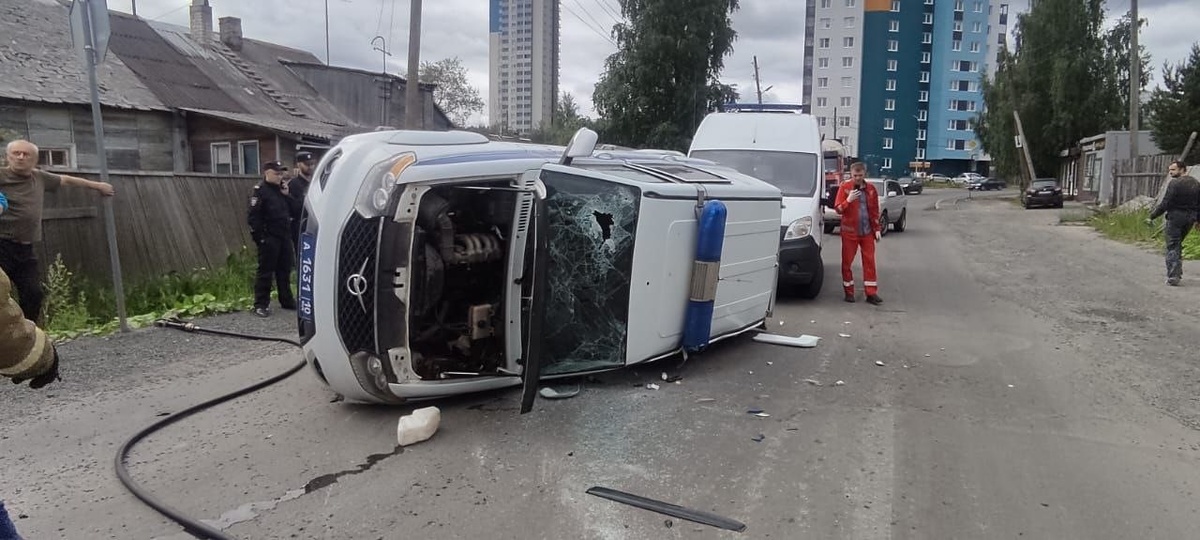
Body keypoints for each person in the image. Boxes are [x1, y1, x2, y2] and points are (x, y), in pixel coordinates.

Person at [0, 140, 115, 324]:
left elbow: (67, 180)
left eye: (26, 154)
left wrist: (98, 186)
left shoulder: (40, 178)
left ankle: (27, 334)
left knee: (33, 293)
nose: (20, 157)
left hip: (25, 249)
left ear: (35, 159)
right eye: (16, 153)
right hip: (2, 245)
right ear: (8, 156)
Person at [248, 161, 299, 317]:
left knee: (284, 270)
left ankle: (286, 300)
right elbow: (253, 218)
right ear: (266, 173)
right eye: (276, 173)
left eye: (281, 174)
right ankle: (261, 304)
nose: (279, 177)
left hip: (284, 236)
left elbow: (296, 210)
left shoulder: (281, 191)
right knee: (265, 271)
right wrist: (261, 239)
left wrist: (287, 195)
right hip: (269, 237)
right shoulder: (260, 191)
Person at [833, 162, 883, 304]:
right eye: (855, 175)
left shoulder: (871, 189)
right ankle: (849, 292)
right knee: (847, 263)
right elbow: (838, 209)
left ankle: (871, 293)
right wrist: (848, 200)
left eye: (860, 175)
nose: (857, 178)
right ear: (851, 174)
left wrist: (877, 229)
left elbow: (874, 211)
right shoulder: (845, 187)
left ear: (864, 174)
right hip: (850, 232)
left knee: (870, 262)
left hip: (867, 232)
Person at [1148, 160, 1200, 286]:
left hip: (1175, 217)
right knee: (1177, 244)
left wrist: (1152, 216)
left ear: (1182, 169)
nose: (1170, 172)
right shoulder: (1196, 184)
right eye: (1170, 170)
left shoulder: (1174, 184)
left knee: (1172, 245)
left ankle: (1173, 275)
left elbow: (1166, 203)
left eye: (1173, 170)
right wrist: (1198, 219)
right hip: (1190, 218)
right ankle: (1178, 271)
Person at [287, 151, 316, 248]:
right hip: (300, 226)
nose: (310, 167)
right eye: (307, 164)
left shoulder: (316, 182)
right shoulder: (293, 184)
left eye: (312, 164)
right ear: (299, 165)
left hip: (315, 224)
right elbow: (292, 208)